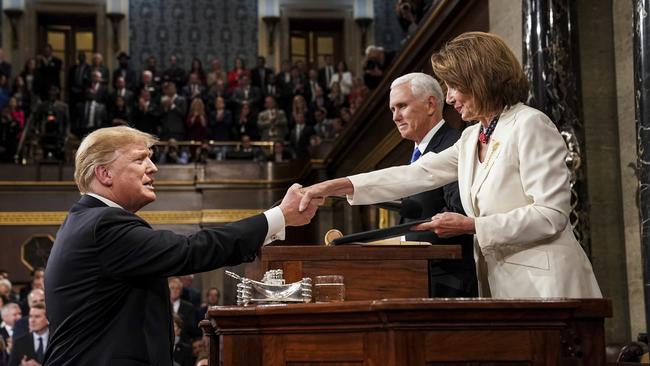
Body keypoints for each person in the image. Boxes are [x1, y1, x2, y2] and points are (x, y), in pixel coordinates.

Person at [298, 32, 602, 299]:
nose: (451, 97)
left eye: (454, 85)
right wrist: (333, 187)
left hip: (550, 287)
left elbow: (550, 216)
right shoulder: (472, 136)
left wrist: (472, 226)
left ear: (480, 79)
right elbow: (415, 174)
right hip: (502, 286)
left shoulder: (530, 124)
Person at [44, 126, 320, 365]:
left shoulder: (89, 221)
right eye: (140, 159)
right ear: (104, 174)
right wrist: (279, 216)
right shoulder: (102, 225)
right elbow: (190, 250)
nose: (153, 168)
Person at [388, 72, 477, 297]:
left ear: (430, 104)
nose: (395, 117)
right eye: (392, 110)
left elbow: (460, 211)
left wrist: (401, 242)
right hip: (422, 277)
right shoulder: (418, 151)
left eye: (402, 106)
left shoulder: (454, 145)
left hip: (451, 282)